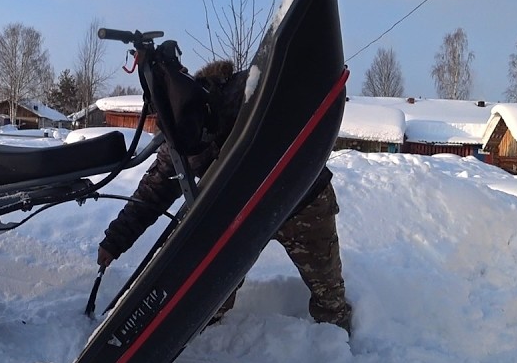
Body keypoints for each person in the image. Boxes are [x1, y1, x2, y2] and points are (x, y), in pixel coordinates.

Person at [95, 59, 353, 333]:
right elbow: (153, 191)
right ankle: (203, 332)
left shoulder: (248, 90)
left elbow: (301, 95)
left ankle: (339, 349)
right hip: (244, 215)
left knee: (330, 295)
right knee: (209, 295)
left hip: (303, 200)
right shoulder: (181, 135)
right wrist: (114, 242)